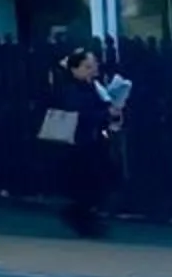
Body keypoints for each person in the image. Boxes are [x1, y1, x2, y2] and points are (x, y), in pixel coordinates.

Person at [46, 47, 122, 237]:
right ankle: (83, 219)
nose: (93, 69)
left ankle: (85, 219)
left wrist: (111, 111)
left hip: (94, 142)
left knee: (100, 182)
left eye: (94, 65)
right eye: (88, 66)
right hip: (79, 145)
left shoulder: (93, 86)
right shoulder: (71, 89)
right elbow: (80, 114)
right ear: (75, 69)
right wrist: (106, 113)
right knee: (90, 183)